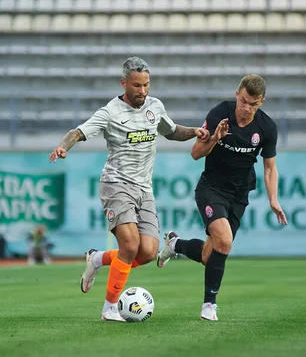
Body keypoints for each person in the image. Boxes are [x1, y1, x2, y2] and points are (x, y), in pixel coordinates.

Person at [48, 57, 209, 321]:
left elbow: (171, 131)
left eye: (146, 85)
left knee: (147, 252)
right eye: (136, 85)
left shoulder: (154, 107)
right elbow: (77, 132)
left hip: (144, 189)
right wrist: (64, 146)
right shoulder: (110, 112)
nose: (142, 91)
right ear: (124, 83)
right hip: (116, 184)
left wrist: (193, 131)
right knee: (131, 244)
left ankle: (98, 259)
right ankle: (109, 308)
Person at [156, 74, 288, 321]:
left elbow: (270, 167)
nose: (247, 108)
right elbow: (196, 153)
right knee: (225, 242)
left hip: (239, 194)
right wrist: (215, 138)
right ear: (238, 95)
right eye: (244, 101)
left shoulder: (267, 127)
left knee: (210, 255)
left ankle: (175, 244)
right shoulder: (220, 114)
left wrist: (273, 199)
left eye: (254, 104)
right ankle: (209, 304)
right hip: (211, 188)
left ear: (261, 102)